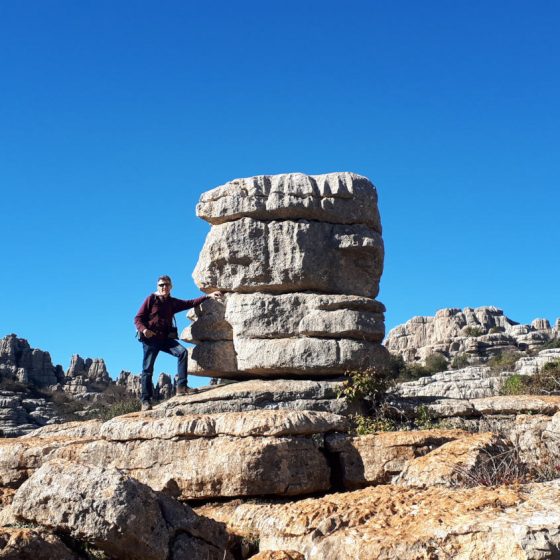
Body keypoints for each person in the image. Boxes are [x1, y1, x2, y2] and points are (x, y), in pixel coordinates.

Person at [134, 275, 222, 411]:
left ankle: (181, 387)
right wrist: (144, 330)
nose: (164, 287)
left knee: (182, 352)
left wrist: (207, 296)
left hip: (164, 339)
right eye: (161, 285)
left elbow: (190, 303)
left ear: (171, 287)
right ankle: (145, 401)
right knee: (147, 370)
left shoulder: (172, 302)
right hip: (150, 339)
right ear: (157, 287)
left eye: (166, 285)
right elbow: (138, 318)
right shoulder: (151, 299)